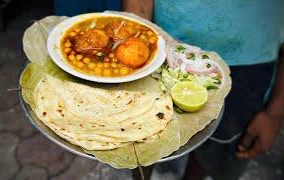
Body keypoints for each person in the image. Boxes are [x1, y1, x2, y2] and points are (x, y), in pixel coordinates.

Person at [122, 0, 284, 179]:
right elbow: (139, 6)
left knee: (216, 148)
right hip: (163, 45)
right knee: (142, 134)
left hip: (249, 65)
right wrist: (133, 54)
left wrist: (276, 111)